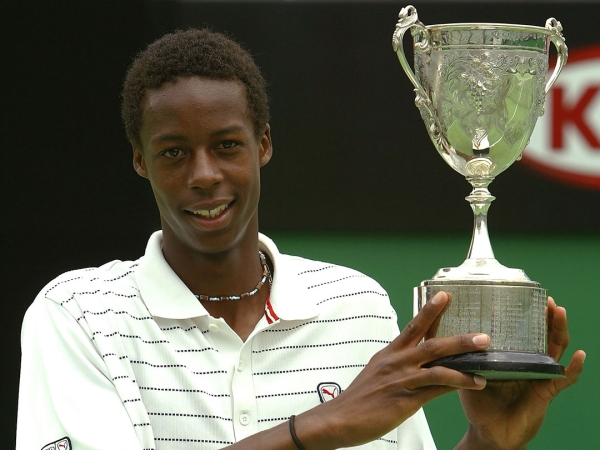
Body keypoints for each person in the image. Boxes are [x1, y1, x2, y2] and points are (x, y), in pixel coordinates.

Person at [17, 28, 584, 450]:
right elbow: (335, 425)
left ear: (263, 144)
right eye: (173, 153)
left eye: (227, 145)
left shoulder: (357, 305)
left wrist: (487, 443)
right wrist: (323, 425)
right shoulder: (78, 314)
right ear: (141, 162)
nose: (204, 174)